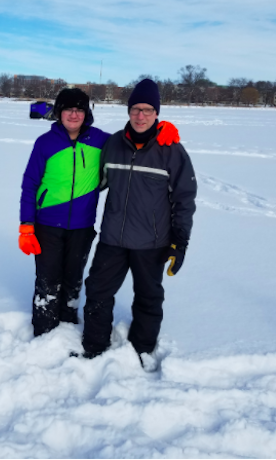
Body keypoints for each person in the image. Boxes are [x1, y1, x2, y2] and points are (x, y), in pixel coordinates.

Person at [78, 78, 197, 371]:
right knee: (97, 292)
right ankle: (95, 347)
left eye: (147, 110)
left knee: (148, 297)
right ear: (128, 111)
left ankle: (142, 349)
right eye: (135, 109)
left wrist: (179, 243)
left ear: (157, 113)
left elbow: (185, 199)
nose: (140, 116)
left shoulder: (171, 150)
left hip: (152, 242)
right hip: (113, 239)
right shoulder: (113, 143)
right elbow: (94, 180)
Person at [19, 88, 110, 337]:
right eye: (68, 109)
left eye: (79, 109)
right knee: (48, 280)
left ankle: (68, 328)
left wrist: (160, 130)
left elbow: (132, 143)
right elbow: (30, 184)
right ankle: (44, 331)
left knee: (73, 281)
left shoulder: (101, 140)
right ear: (59, 112)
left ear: (87, 113)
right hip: (47, 226)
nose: (74, 114)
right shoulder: (45, 143)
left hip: (82, 226)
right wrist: (26, 224)